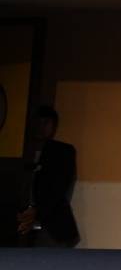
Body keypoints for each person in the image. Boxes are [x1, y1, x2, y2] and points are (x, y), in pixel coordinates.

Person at [16, 105, 80, 248]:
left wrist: (36, 211)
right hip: (21, 224)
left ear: (54, 127)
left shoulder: (62, 152)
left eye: (46, 123)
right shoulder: (20, 153)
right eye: (38, 122)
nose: (41, 127)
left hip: (52, 227)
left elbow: (59, 188)